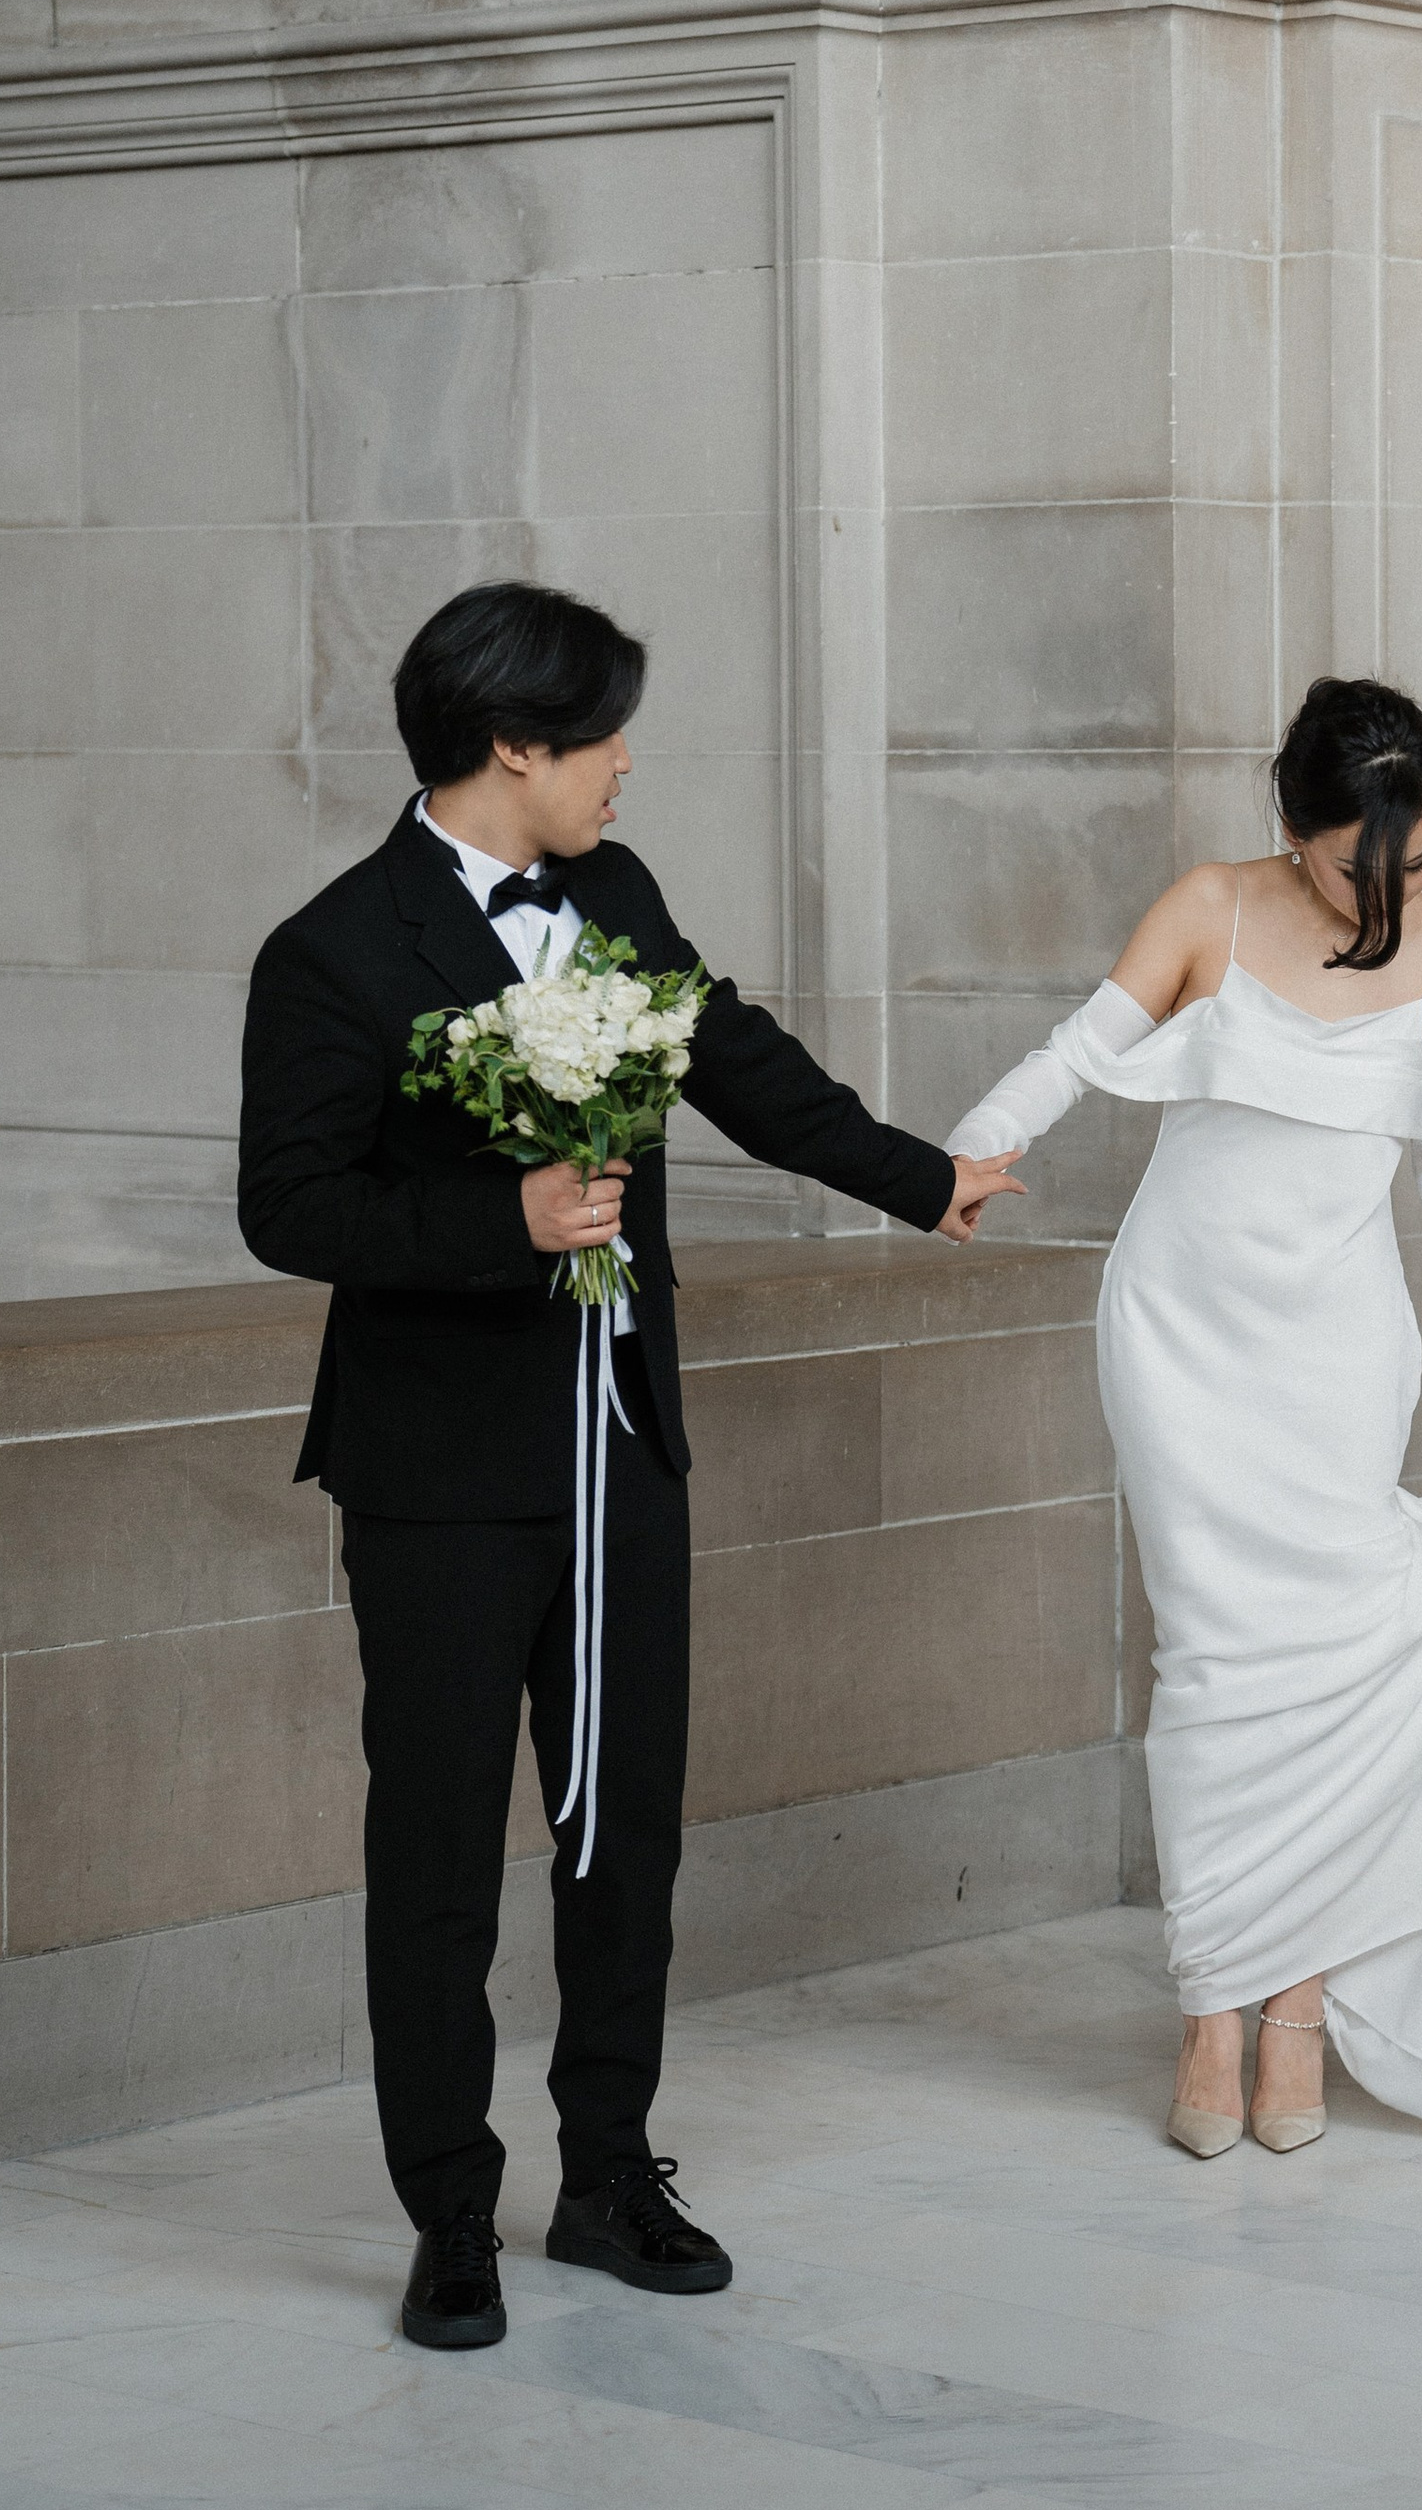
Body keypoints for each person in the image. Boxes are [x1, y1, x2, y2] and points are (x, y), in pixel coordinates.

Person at [238, 582, 1018, 2351]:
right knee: (437, 1850)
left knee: (626, 1835)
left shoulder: (617, 894)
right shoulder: (335, 951)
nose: (622, 766)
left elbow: (731, 1056)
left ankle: (608, 2173)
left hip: (620, 1448)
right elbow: (285, 1208)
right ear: (511, 746)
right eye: (598, 738)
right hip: (439, 1479)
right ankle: (450, 2211)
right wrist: (498, 1218)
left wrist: (920, 1176)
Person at [948, 675, 1422, 2153]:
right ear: (1292, 830)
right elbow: (1075, 1052)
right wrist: (968, 1151)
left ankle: (1299, 2006)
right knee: (1211, 1665)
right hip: (1183, 1332)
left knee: (1329, 1661)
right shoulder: (1210, 908)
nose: (1387, 896)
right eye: (1353, 867)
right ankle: (1211, 2006)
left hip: (1337, 1344)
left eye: (1420, 865)